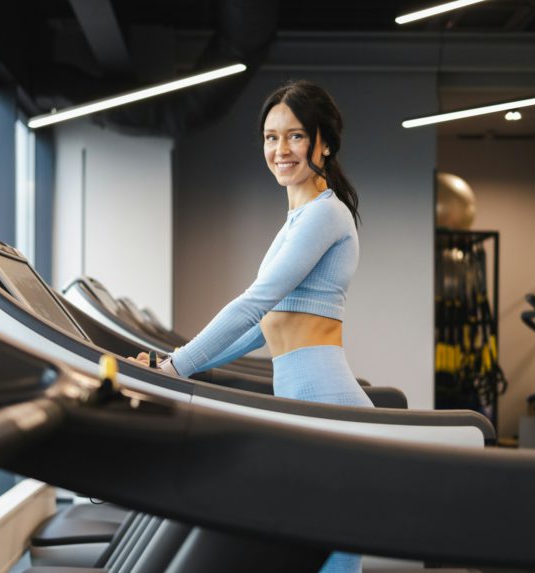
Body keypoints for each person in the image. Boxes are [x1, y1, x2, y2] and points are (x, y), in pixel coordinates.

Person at [136, 80, 373, 573]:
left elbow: (251, 305)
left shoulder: (324, 215)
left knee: (326, 560)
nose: (280, 149)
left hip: (325, 403)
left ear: (322, 142)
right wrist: (171, 368)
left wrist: (176, 366)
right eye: (270, 137)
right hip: (302, 401)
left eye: (294, 136)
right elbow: (260, 325)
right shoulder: (300, 218)